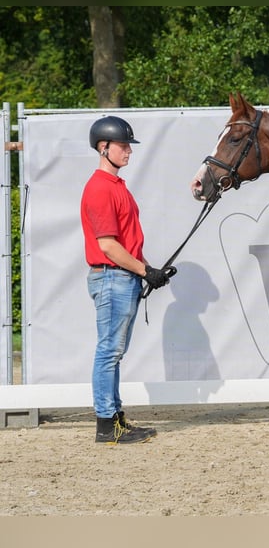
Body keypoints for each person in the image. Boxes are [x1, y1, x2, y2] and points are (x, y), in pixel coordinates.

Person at [81, 115, 174, 444]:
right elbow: (107, 245)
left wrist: (150, 270)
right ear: (103, 147)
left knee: (114, 352)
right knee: (109, 351)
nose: (128, 152)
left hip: (122, 277)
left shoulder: (118, 187)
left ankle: (115, 417)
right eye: (123, 146)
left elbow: (126, 241)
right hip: (112, 278)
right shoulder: (100, 189)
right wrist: (142, 270)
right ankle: (106, 425)